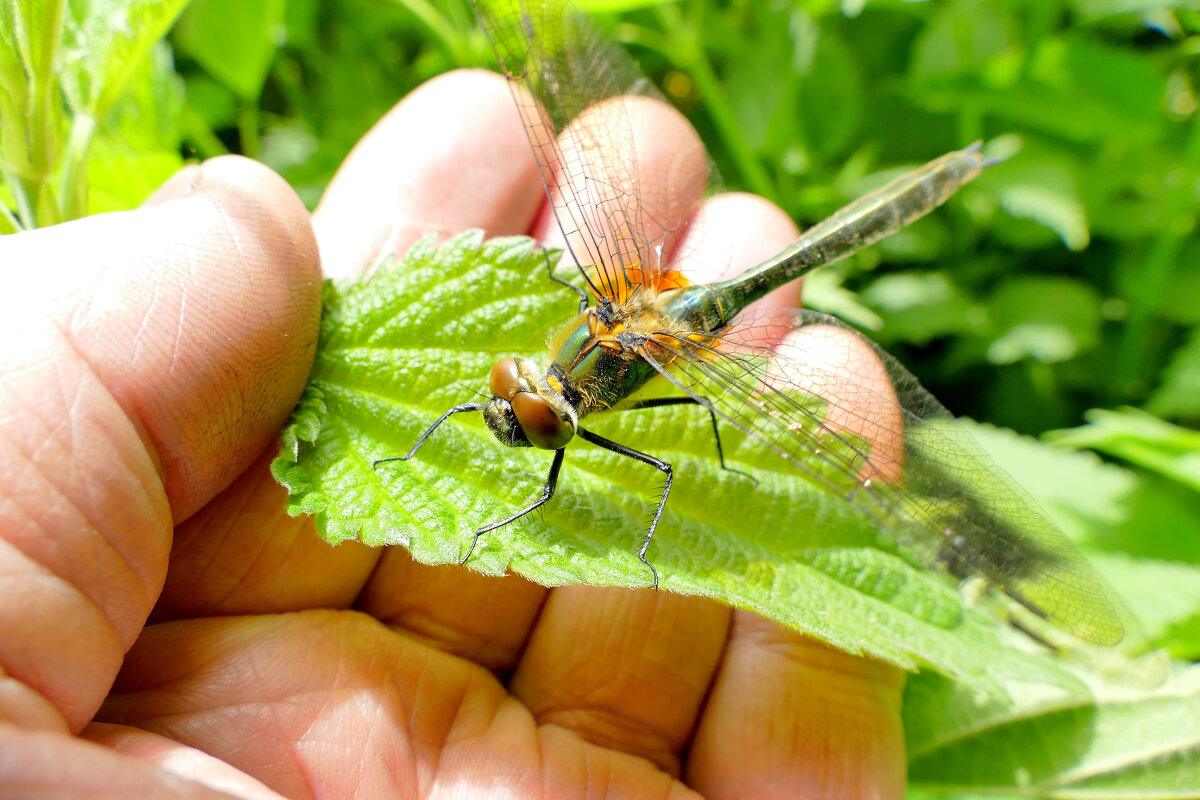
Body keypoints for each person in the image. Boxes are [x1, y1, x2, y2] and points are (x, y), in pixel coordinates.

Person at [0, 69, 906, 798]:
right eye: (519, 396)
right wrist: (415, 446)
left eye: (528, 411)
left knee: (699, 427)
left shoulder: (612, 379)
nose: (514, 412)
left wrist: (652, 543)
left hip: (678, 330)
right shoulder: (549, 375)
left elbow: (664, 467)